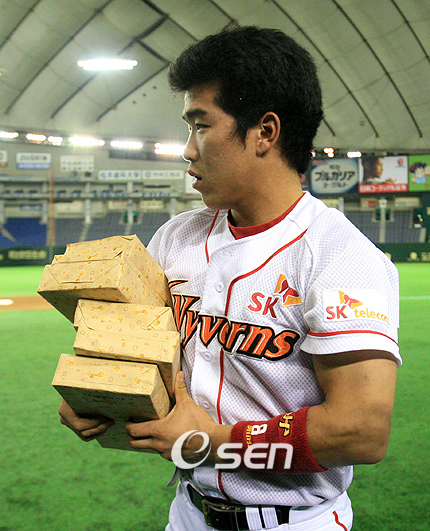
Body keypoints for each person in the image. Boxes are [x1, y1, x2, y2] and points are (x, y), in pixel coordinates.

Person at [59, 25, 401, 531]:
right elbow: (133, 353)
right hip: (189, 512)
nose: (187, 150)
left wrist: (211, 442)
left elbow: (361, 431)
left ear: (265, 132)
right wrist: (100, 394)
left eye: (200, 125)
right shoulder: (175, 238)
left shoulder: (341, 255)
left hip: (295, 521)